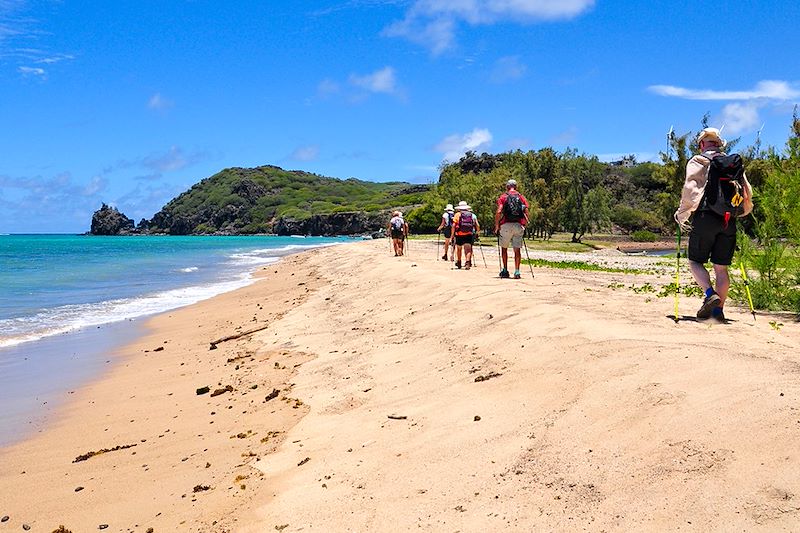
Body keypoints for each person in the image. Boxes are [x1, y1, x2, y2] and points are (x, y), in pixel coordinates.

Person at [675, 127, 753, 321]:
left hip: (705, 217)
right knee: (721, 268)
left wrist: (682, 213)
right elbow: (746, 190)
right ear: (719, 144)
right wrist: (743, 210)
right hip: (729, 218)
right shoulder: (733, 163)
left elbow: (690, 188)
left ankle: (711, 295)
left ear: (702, 144)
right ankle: (718, 312)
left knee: (695, 261)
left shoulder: (698, 160)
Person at [494, 179, 529, 279]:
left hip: (506, 225)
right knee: (517, 249)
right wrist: (524, 225)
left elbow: (499, 211)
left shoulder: (503, 197)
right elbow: (526, 211)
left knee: (504, 248)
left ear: (507, 187)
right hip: (518, 225)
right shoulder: (521, 197)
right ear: (516, 187)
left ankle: (505, 270)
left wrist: (497, 225)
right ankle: (517, 271)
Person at [451, 201, 480, 269]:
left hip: (459, 234)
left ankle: (459, 262)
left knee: (459, 248)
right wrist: (477, 233)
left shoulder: (457, 214)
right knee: (468, 249)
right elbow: (477, 225)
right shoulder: (472, 215)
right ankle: (467, 263)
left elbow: (454, 225)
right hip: (469, 234)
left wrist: (452, 235)